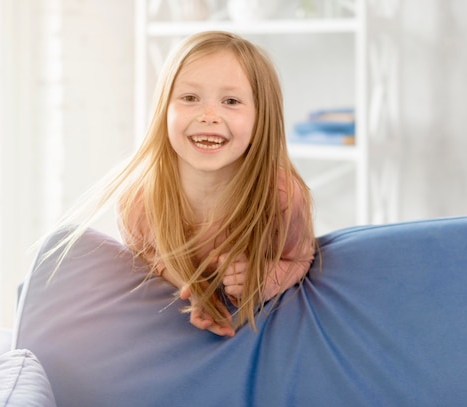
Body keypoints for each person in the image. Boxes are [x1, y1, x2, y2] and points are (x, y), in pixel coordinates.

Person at [48, 31, 316, 337]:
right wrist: (190, 286)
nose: (208, 115)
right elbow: (151, 256)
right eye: (190, 98)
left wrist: (263, 278)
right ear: (164, 110)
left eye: (231, 101)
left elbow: (299, 257)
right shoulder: (138, 200)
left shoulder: (280, 196)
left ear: (261, 118)